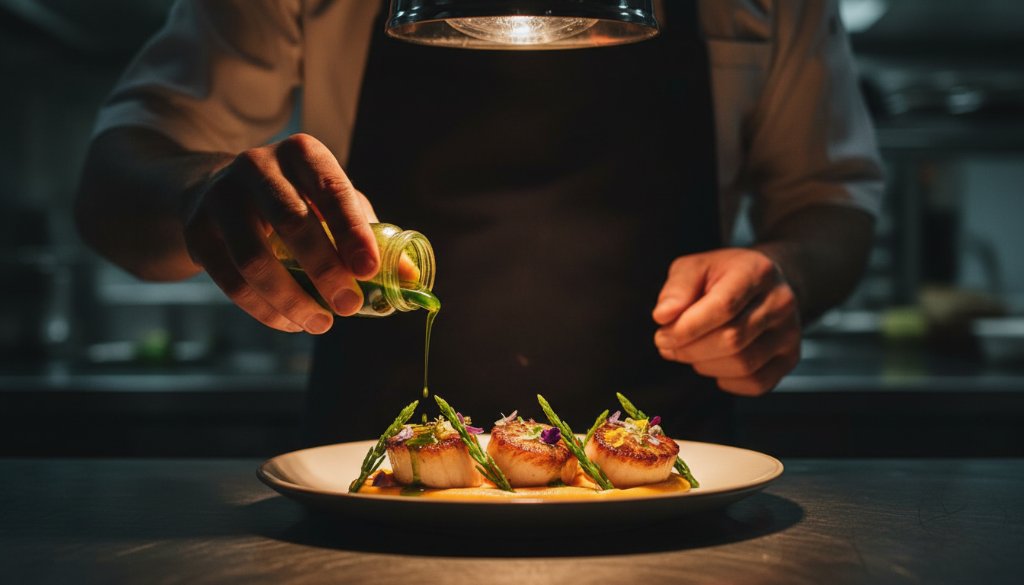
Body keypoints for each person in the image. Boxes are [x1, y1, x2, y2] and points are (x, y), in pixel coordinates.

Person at [75, 0, 882, 444]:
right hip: (369, 497)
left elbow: (833, 202)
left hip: (671, 487)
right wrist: (203, 195)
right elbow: (111, 187)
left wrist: (790, 274)